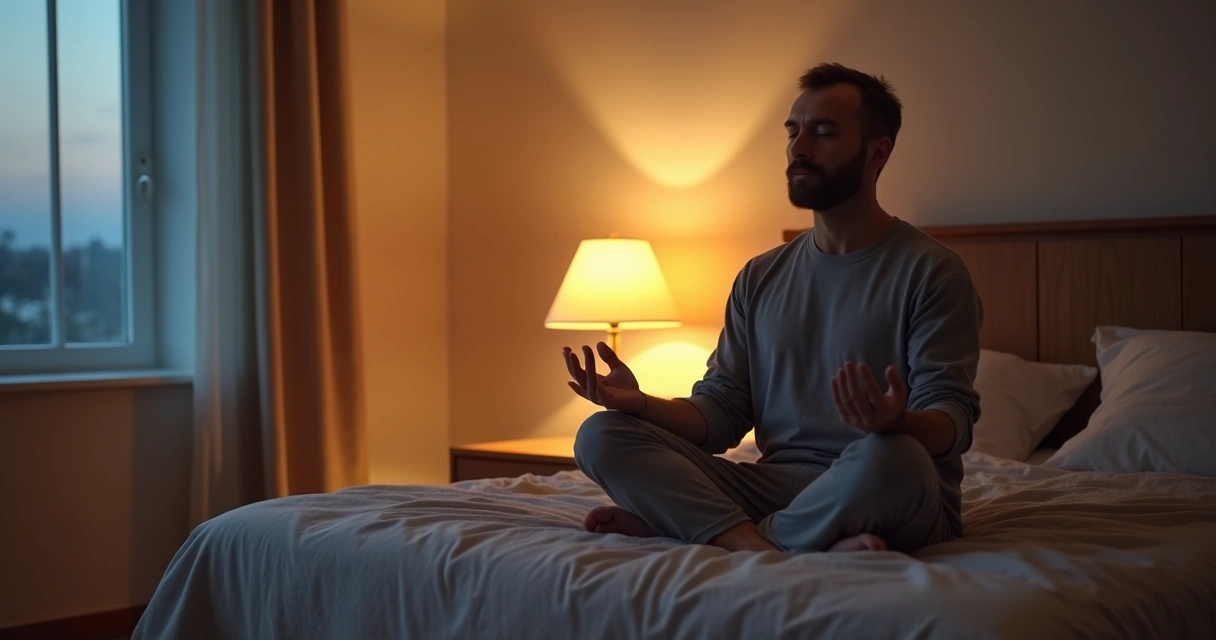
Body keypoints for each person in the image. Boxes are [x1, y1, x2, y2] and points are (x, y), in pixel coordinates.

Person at [561, 63, 982, 554]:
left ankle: (717, 531)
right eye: (793, 131)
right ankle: (769, 539)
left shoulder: (932, 271)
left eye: (823, 132)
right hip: (775, 487)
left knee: (898, 458)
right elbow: (721, 414)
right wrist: (641, 404)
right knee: (601, 434)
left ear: (877, 152)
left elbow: (951, 418)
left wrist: (897, 423)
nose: (798, 147)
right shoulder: (760, 276)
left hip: (883, 484)